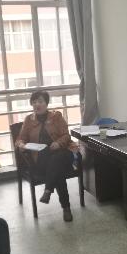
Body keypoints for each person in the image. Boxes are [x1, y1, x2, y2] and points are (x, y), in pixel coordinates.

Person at [15, 90, 76, 222]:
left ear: (46, 103)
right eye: (34, 102)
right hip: (43, 159)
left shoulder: (56, 116)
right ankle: (65, 208)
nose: (37, 104)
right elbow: (20, 139)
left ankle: (48, 190)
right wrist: (21, 144)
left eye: (40, 101)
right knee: (57, 170)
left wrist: (58, 143)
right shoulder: (28, 120)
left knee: (57, 159)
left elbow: (66, 135)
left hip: (63, 153)